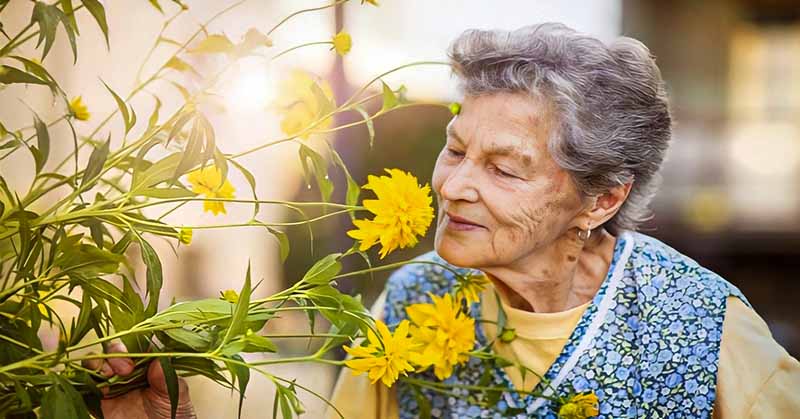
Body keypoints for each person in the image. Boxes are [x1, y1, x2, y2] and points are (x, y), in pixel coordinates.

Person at [94, 23, 800, 418]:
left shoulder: (704, 325)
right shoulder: (412, 298)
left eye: (503, 167)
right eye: (455, 148)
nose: (453, 185)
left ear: (601, 199)